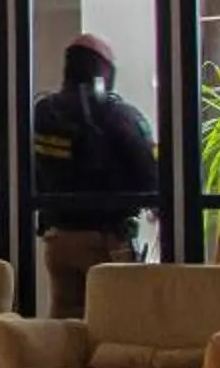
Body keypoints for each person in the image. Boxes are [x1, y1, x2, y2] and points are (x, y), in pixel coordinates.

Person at [32, 34, 158, 317]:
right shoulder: (120, 116)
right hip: (105, 240)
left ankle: (63, 363)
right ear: (103, 71)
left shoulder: (43, 114)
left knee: (65, 324)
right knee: (117, 321)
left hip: (58, 240)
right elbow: (151, 175)